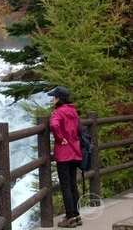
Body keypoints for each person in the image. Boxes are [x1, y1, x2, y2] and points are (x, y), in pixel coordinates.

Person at [48, 86, 83, 228]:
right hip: (75, 151)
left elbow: (54, 125)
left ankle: (70, 217)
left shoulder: (58, 112)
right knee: (73, 184)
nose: (52, 99)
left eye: (54, 97)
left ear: (58, 99)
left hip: (64, 153)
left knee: (66, 186)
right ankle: (76, 215)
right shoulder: (72, 111)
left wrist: (59, 138)